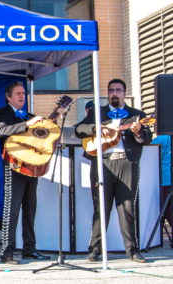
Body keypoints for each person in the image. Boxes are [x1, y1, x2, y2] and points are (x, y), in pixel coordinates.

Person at [75, 78, 152, 263]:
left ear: (125, 93)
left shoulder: (137, 114)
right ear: (107, 94)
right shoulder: (97, 112)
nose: (114, 93)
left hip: (127, 163)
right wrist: (97, 128)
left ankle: (132, 250)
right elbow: (79, 130)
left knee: (127, 208)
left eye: (118, 90)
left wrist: (137, 132)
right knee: (101, 207)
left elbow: (147, 139)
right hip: (102, 163)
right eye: (111, 90)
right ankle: (94, 250)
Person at [0, 81, 52, 265]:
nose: (22, 96)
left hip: (31, 165)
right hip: (13, 166)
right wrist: (28, 123)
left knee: (30, 208)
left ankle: (29, 248)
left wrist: (54, 118)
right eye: (18, 93)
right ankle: (6, 251)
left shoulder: (30, 115)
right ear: (8, 97)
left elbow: (42, 134)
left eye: (23, 93)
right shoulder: (2, 113)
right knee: (11, 209)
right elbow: (1, 131)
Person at [151, 135, 171, 227]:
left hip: (165, 180)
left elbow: (148, 152)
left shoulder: (161, 139)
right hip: (167, 179)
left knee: (167, 207)